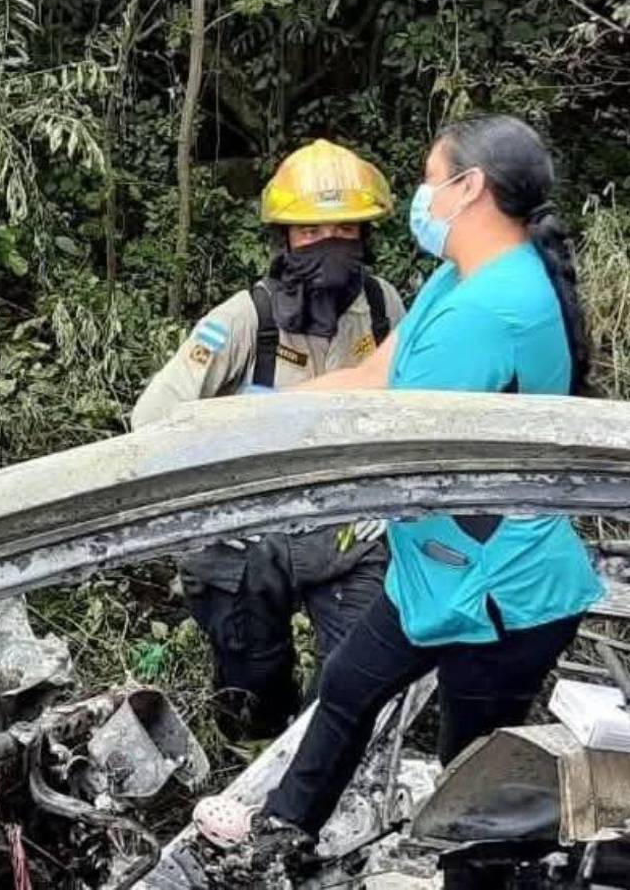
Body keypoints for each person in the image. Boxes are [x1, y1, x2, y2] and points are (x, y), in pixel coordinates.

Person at [193, 115, 603, 868]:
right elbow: (374, 378)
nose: (419, 196)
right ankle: (281, 833)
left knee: (467, 801)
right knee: (348, 688)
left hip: (496, 595)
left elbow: (386, 445)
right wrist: (255, 415)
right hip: (437, 568)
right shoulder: (462, 275)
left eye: (427, 177)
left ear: (469, 186)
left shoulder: (490, 310)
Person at [133, 140, 406, 738]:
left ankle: (318, 778)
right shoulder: (245, 319)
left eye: (344, 230)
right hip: (246, 539)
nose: (328, 245)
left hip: (346, 534)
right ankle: (245, 772)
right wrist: (239, 440)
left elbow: (411, 412)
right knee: (252, 692)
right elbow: (153, 417)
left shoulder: (385, 309)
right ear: (284, 239)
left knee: (355, 683)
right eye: (310, 233)